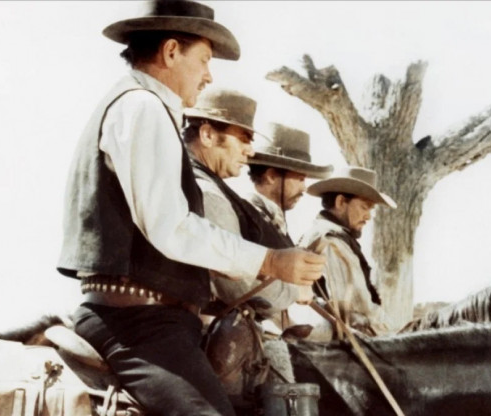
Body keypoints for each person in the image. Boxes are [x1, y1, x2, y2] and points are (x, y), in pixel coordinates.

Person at [56, 2, 324, 415]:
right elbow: (171, 227)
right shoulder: (143, 106)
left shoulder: (140, 106)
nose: (208, 75)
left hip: (148, 320)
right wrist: (270, 261)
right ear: (170, 51)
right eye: (204, 59)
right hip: (138, 324)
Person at [182, 89, 317, 318]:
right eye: (244, 139)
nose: (250, 151)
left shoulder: (196, 182)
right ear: (207, 135)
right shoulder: (209, 195)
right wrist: (294, 290)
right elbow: (238, 288)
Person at [298, 166, 396, 338]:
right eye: (364, 207)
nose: (368, 217)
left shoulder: (325, 235)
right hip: (336, 343)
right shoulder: (331, 242)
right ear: (341, 202)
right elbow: (359, 310)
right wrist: (395, 333)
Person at [246, 123, 333, 239]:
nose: (304, 188)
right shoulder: (249, 218)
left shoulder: (271, 220)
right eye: (300, 179)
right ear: (271, 176)